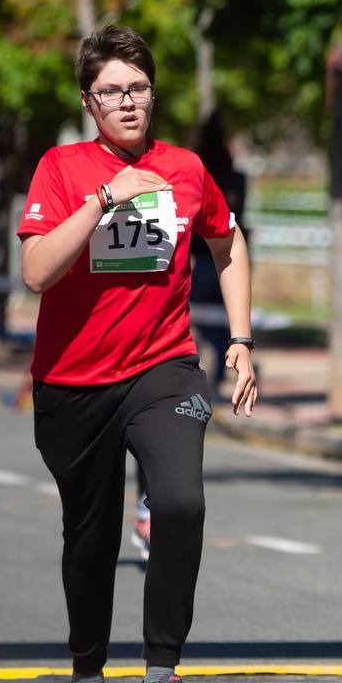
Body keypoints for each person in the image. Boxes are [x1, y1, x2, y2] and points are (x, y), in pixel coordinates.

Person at [18, 25, 258, 683]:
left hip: (163, 368)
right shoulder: (61, 169)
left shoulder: (185, 168)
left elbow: (227, 241)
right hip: (73, 380)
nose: (128, 102)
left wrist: (242, 340)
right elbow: (36, 272)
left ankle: (160, 677)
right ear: (90, 101)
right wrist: (102, 197)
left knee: (181, 502)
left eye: (139, 88)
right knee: (88, 542)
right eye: (112, 91)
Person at [130, 110, 251, 561]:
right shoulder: (179, 173)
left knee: (164, 441)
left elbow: (230, 232)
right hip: (111, 352)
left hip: (172, 349)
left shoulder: (200, 172)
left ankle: (151, 509)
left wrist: (244, 342)